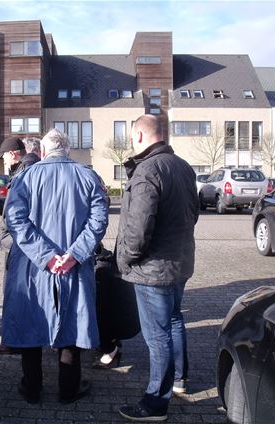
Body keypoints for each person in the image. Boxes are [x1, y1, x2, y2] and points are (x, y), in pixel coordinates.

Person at [2, 129, 109, 404]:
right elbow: (98, 221)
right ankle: (68, 390)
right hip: (74, 265)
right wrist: (74, 254)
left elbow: (15, 220)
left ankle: (32, 389)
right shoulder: (88, 177)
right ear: (69, 150)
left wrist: (45, 256)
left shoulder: (25, 177)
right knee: (71, 323)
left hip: (32, 265)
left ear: (44, 151)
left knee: (30, 323)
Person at [116, 115, 199, 422]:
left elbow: (138, 230)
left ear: (139, 136)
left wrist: (126, 259)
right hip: (179, 262)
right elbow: (194, 213)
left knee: (157, 336)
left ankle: (155, 403)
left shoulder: (146, 171)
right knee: (175, 321)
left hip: (153, 270)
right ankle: (179, 380)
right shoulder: (182, 166)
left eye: (130, 136)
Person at [0, 137, 41, 355]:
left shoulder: (24, 172)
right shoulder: (24, 170)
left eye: (4, 157)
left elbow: (17, 212)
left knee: (15, 293)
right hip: (18, 242)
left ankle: (14, 341)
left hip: (18, 244)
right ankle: (14, 339)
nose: (4, 162)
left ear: (12, 154)